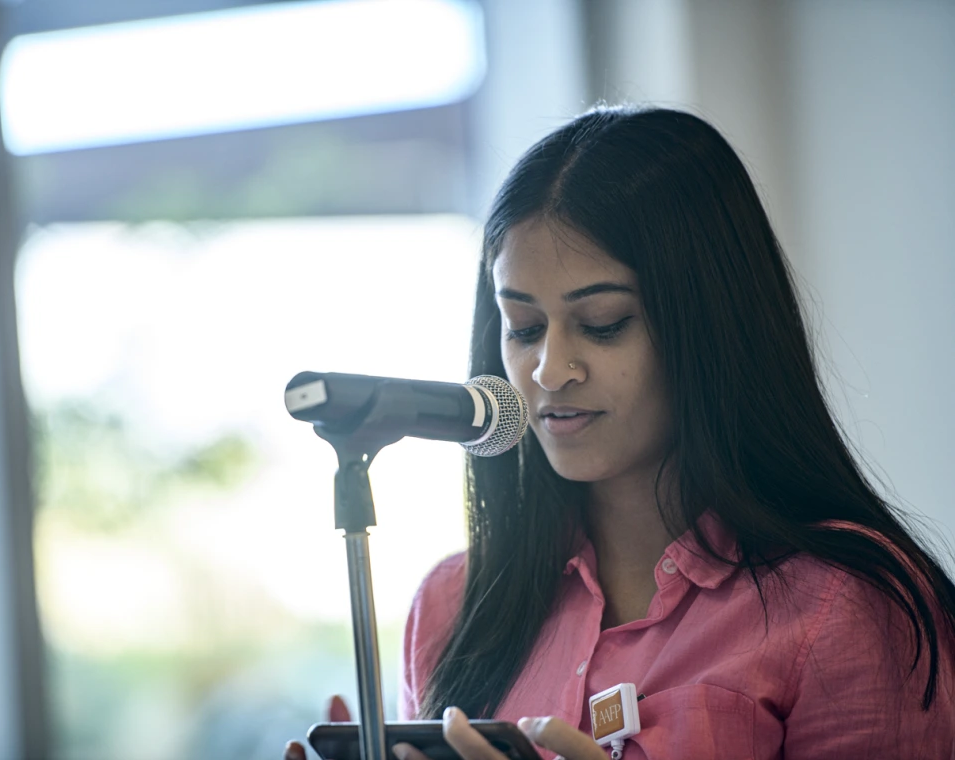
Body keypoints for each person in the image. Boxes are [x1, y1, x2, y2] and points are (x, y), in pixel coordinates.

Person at [285, 106, 955, 760]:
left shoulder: (843, 605)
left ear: (711, 325)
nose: (549, 370)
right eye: (522, 327)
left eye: (602, 322)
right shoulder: (450, 607)